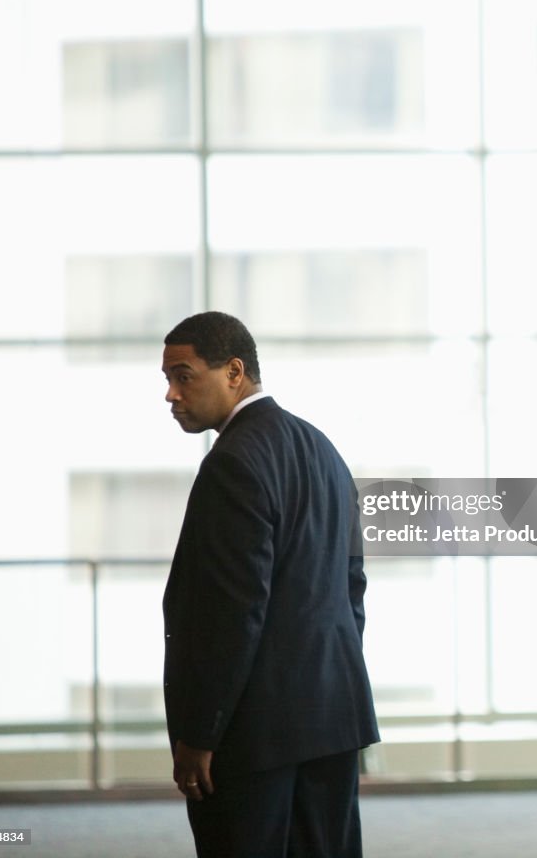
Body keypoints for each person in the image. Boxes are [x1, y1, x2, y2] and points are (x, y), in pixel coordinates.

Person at [161, 311, 379, 858]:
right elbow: (351, 589)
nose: (171, 394)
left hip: (254, 733)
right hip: (332, 716)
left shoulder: (233, 462)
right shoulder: (323, 449)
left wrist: (201, 733)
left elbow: (232, 612)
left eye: (184, 376)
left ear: (234, 372)